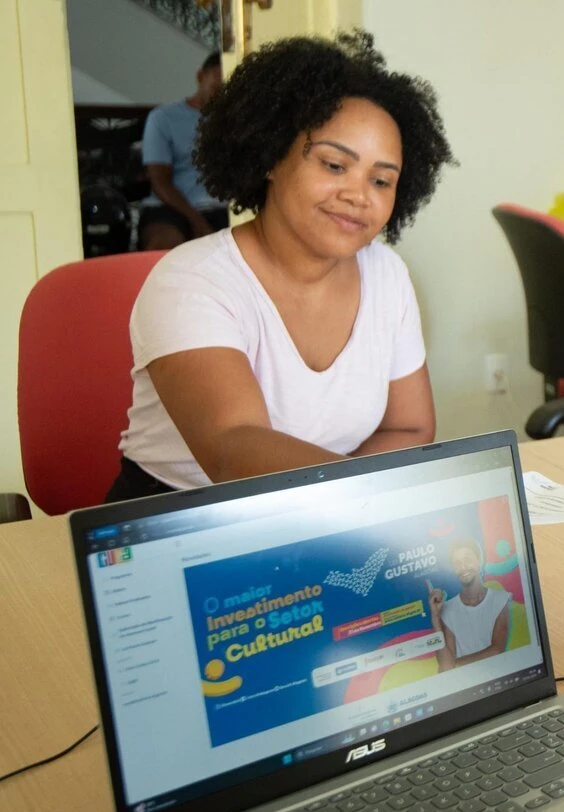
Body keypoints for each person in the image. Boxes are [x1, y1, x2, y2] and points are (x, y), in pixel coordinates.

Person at [107, 32, 453, 501]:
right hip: (178, 519)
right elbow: (233, 450)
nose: (359, 195)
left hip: (329, 510)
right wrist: (366, 498)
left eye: (381, 180)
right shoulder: (191, 281)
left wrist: (352, 506)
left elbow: (409, 428)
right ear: (271, 157)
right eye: (334, 165)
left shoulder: (387, 274)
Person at [137, 52, 228, 250]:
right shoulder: (163, 118)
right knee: (165, 246)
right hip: (171, 208)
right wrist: (198, 223)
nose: (221, 94)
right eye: (216, 87)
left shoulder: (235, 120)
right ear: (200, 77)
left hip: (224, 210)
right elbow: (160, 182)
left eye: (227, 89)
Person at [428, 539, 511, 671]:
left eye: (468, 559)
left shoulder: (500, 599)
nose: (463, 567)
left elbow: (497, 650)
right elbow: (445, 665)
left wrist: (455, 664)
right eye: (457, 563)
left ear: (479, 561)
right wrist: (435, 617)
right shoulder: (447, 610)